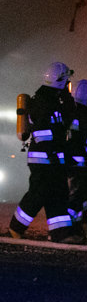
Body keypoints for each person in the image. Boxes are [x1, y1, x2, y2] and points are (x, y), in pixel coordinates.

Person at [9, 62, 81, 243]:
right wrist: (53, 154)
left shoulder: (55, 100)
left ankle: (59, 233)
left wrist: (67, 97)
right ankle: (15, 228)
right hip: (43, 159)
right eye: (66, 81)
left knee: (58, 193)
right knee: (38, 194)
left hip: (54, 158)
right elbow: (43, 133)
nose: (68, 85)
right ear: (61, 80)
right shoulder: (42, 102)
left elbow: (69, 117)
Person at [67, 79, 87, 243]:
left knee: (77, 197)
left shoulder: (71, 113)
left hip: (71, 163)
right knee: (78, 198)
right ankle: (74, 230)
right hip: (80, 164)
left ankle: (76, 229)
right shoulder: (83, 115)